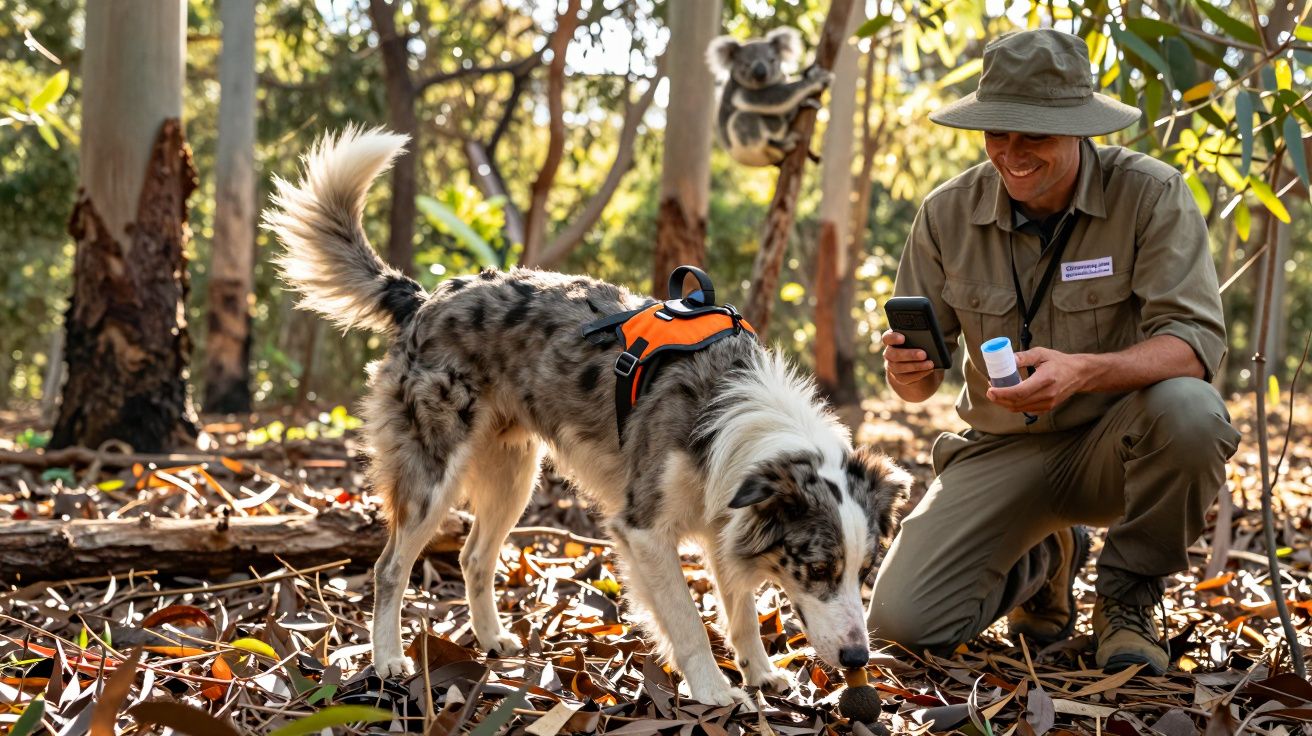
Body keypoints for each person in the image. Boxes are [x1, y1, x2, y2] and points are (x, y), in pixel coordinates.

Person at [866, 28, 1241, 675]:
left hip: (1116, 446)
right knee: (903, 625)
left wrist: (1083, 374)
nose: (1010, 153)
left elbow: (1195, 346)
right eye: (996, 132)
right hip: (1001, 448)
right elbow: (919, 386)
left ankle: (1127, 600)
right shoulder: (946, 214)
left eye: (1032, 133)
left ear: (1077, 128)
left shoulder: (1150, 195)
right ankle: (1045, 558)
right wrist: (907, 372)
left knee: (1192, 411)